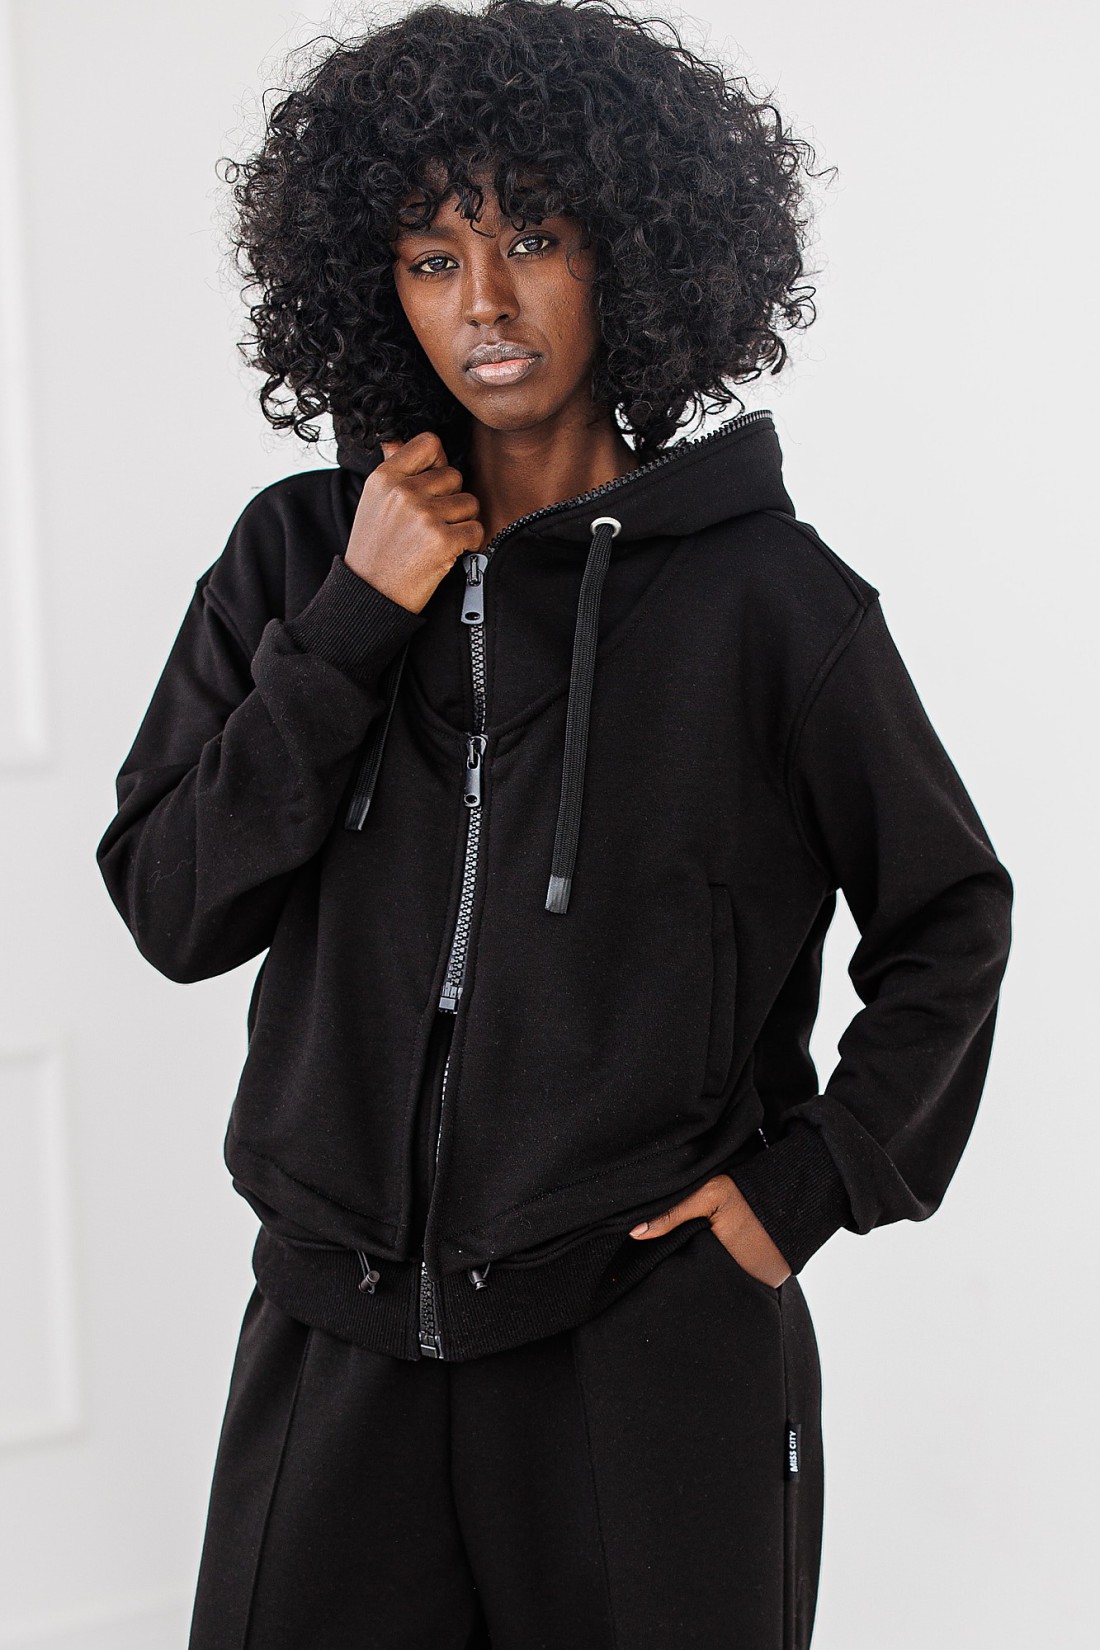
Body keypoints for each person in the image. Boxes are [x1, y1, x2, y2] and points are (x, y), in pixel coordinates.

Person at [95, 2, 1014, 1645]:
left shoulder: (770, 602)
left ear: (635, 256)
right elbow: (174, 903)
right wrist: (357, 618)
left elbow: (950, 913)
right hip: (335, 1339)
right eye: (430, 256)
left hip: (645, 1345)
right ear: (373, 284)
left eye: (532, 238)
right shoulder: (299, 559)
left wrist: (814, 1181)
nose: (485, 302)